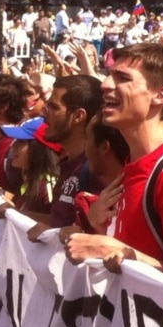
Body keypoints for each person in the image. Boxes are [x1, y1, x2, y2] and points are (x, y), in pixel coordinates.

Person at [64, 43, 163, 277]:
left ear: (159, 95)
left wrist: (120, 251)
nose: (105, 85)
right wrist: (98, 228)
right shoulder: (133, 165)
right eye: (110, 75)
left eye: (122, 78)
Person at [42, 75, 104, 227]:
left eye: (54, 107)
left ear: (78, 116)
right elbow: (58, 223)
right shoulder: (69, 163)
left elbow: (94, 234)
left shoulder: (95, 170)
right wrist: (8, 211)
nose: (45, 114)